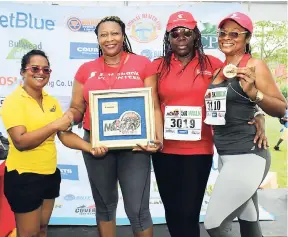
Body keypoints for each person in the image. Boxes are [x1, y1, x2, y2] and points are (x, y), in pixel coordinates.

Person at [145, 11, 267, 237]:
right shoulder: (157, 66)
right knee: (172, 211)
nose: (181, 37)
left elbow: (240, 93)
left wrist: (258, 114)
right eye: (175, 33)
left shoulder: (215, 64)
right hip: (165, 150)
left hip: (198, 149)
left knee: (190, 212)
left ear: (196, 36)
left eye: (187, 32)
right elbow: (149, 105)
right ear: (168, 38)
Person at [65, 16, 163, 237]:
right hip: (97, 145)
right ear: (98, 39)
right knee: (105, 206)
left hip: (135, 146)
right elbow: (77, 109)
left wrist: (158, 137)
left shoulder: (142, 64)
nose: (110, 39)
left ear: (123, 35)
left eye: (115, 33)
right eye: (104, 34)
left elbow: (154, 106)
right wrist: (69, 117)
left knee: (138, 210)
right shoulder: (85, 69)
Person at [203, 12, 287, 237]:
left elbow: (281, 108)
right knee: (249, 220)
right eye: (222, 33)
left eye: (234, 33)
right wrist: (257, 112)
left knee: (214, 225)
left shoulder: (254, 65)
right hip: (226, 155)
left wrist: (255, 94)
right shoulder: (219, 70)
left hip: (247, 156)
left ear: (247, 38)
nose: (226, 37)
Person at [1, 49, 102, 237]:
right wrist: (54, 124)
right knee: (28, 233)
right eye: (35, 68)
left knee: (41, 229)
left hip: (49, 174)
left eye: (46, 70)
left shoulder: (51, 101)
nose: (40, 72)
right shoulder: (13, 101)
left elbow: (64, 134)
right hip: (24, 177)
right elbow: (21, 141)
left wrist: (90, 147)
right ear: (23, 71)